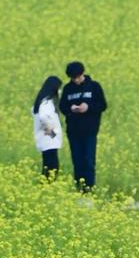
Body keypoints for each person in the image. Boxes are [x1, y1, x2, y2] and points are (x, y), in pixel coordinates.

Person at [59, 61, 107, 191]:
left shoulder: (94, 86)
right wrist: (71, 108)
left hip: (90, 130)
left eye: (77, 77)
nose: (76, 80)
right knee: (77, 161)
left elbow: (103, 105)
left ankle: (89, 189)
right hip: (73, 131)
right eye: (73, 78)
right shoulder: (67, 89)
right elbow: (62, 106)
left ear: (82, 74)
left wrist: (88, 107)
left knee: (89, 161)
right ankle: (79, 189)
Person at [32, 76, 63, 178]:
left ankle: (44, 187)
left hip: (45, 140)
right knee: (52, 167)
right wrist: (50, 129)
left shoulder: (40, 101)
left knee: (48, 166)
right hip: (49, 140)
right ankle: (46, 186)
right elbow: (43, 116)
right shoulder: (46, 102)